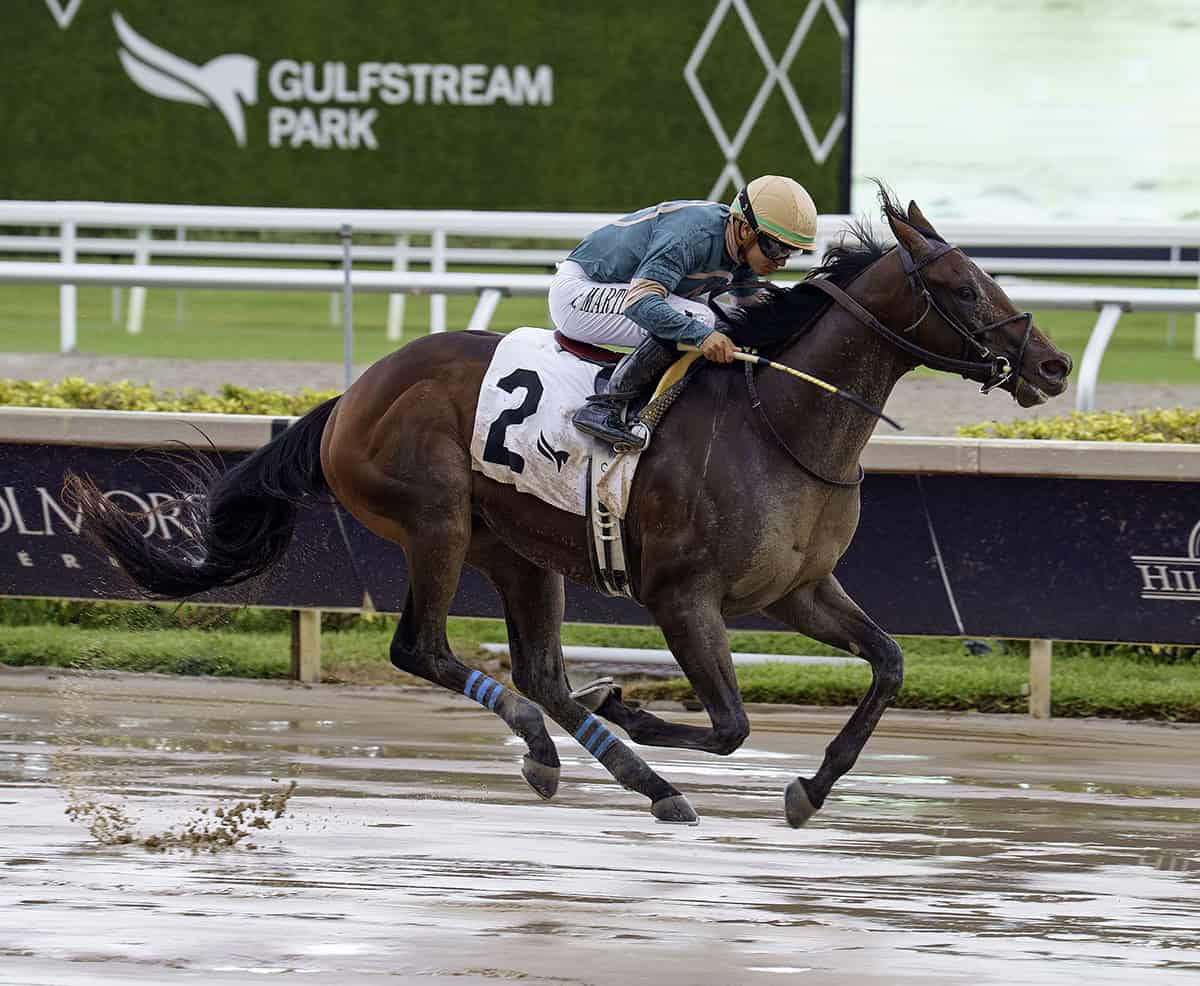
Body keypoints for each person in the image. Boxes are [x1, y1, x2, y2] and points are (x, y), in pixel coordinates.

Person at [550, 175, 818, 450]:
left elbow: (752, 311)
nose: (781, 260)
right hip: (579, 293)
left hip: (619, 289)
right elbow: (639, 302)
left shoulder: (741, 249)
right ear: (744, 230)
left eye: (791, 251)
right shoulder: (692, 237)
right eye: (775, 247)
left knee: (725, 321)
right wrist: (702, 336)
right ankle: (605, 406)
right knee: (700, 320)